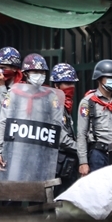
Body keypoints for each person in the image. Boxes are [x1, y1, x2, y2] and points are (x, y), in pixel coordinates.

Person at [0, 53, 49, 171]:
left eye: (42, 72)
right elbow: (3, 122)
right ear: (25, 74)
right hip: (16, 148)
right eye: (34, 72)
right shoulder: (14, 93)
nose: (39, 76)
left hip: (38, 149)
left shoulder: (48, 97)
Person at [76, 59, 112, 175]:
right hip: (98, 154)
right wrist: (83, 162)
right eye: (110, 78)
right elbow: (81, 134)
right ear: (99, 79)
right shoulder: (88, 102)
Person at [50, 63, 79, 194]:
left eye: (73, 83)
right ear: (56, 85)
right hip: (57, 163)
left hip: (67, 163)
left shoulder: (65, 105)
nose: (71, 87)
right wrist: (82, 148)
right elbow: (61, 139)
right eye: (67, 83)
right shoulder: (53, 105)